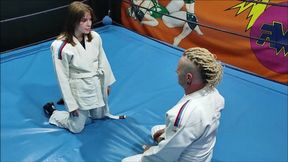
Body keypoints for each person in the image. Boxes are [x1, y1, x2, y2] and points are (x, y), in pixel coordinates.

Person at [122, 47, 225, 162]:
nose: (176, 71)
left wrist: (150, 152)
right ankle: (170, 136)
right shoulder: (216, 95)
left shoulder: (183, 114)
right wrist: (170, 130)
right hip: (201, 151)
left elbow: (163, 157)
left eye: (178, 70)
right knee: (156, 129)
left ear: (188, 78)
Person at [43, 1, 125, 134]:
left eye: (90, 19)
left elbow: (102, 60)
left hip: (95, 83)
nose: (89, 24)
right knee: (77, 127)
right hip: (79, 88)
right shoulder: (60, 46)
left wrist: (106, 84)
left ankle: (87, 111)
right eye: (84, 20)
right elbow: (62, 77)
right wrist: (71, 105)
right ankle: (53, 111)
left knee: (98, 116)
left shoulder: (95, 37)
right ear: (73, 21)